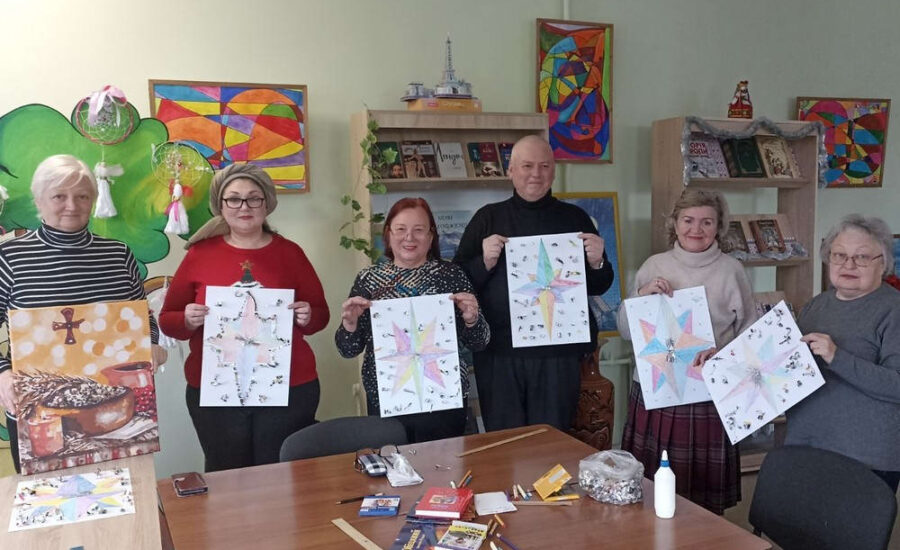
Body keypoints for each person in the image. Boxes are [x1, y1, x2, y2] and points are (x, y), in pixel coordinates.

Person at [0, 154, 166, 471]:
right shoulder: (8, 258)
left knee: (124, 492)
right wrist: (2, 374)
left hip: (114, 419)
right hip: (39, 417)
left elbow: (143, 318)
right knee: (48, 499)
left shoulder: (118, 255)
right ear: (39, 200)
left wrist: (153, 345)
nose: (71, 205)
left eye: (82, 196)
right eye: (59, 196)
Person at [159, 163, 328, 472]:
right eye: (234, 199)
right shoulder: (199, 254)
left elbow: (320, 315)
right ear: (221, 206)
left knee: (281, 474)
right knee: (227, 476)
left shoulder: (290, 253)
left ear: (267, 203)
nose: (244, 207)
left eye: (253, 198)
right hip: (217, 389)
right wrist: (187, 319)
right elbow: (168, 320)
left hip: (287, 387)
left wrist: (307, 315)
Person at [454, 135, 613, 432]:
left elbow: (599, 285)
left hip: (558, 356)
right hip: (499, 354)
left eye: (544, 166)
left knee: (552, 439)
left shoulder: (574, 218)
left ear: (554, 171)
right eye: (527, 166)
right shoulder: (487, 218)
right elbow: (458, 281)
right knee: (505, 440)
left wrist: (597, 263)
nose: (536, 174)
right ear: (510, 170)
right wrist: (484, 262)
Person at [616, 188, 756, 514]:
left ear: (719, 226)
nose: (696, 229)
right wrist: (642, 296)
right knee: (649, 491)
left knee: (703, 498)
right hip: (657, 390)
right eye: (688, 220)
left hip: (708, 391)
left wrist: (723, 354)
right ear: (675, 223)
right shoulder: (654, 265)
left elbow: (748, 333)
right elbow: (625, 330)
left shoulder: (732, 270)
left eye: (707, 222)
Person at [335, 197, 489, 443]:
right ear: (388, 234)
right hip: (387, 400)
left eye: (419, 230)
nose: (409, 237)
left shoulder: (451, 276)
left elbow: (480, 342)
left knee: (443, 464)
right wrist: (350, 325)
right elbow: (348, 349)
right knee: (393, 466)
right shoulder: (369, 280)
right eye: (401, 229)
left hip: (444, 400)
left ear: (431, 236)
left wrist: (472, 319)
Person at [786, 214, 900, 493]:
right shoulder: (816, 306)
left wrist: (837, 357)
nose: (848, 265)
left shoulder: (893, 310)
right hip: (807, 445)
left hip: (866, 457)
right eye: (839, 255)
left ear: (883, 263)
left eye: (862, 257)